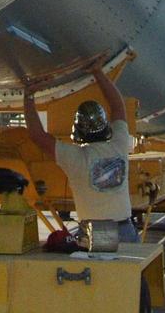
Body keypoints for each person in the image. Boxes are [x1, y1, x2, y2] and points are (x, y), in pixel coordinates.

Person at [24, 61, 138, 245]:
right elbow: (118, 107)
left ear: (78, 132)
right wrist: (97, 72)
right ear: (105, 127)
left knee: (95, 274)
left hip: (93, 232)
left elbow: (37, 135)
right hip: (125, 228)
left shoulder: (74, 157)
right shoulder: (119, 144)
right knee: (132, 272)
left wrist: (28, 96)